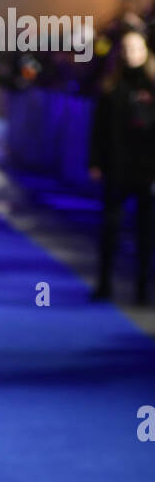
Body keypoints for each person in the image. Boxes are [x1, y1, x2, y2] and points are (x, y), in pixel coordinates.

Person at [89, 29, 155, 305]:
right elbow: (98, 129)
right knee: (110, 228)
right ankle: (104, 283)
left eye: (136, 48)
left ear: (145, 52)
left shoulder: (152, 86)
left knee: (146, 233)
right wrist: (95, 161)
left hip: (148, 169)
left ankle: (142, 289)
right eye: (126, 49)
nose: (131, 54)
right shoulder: (109, 87)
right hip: (116, 166)